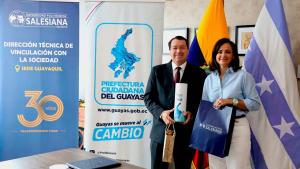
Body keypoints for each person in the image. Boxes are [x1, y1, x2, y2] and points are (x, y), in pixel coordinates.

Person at [144, 36, 206, 169]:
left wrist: (192, 113)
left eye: (182, 47)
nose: (179, 51)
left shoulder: (199, 73)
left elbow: (202, 100)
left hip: (186, 133)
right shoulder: (157, 71)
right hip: (160, 132)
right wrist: (161, 113)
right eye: (175, 48)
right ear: (169, 50)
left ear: (188, 50)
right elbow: (148, 98)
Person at [202, 38, 260, 169]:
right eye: (220, 51)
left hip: (237, 127)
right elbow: (205, 106)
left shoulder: (243, 76)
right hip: (214, 128)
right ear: (215, 55)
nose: (223, 55)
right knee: (217, 166)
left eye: (227, 52)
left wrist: (230, 101)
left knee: (238, 166)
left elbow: (255, 103)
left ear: (233, 55)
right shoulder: (209, 79)